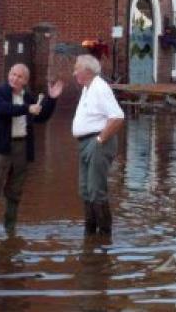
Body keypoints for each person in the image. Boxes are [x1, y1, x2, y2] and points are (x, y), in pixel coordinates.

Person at [0, 63, 63, 235]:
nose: (15, 79)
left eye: (19, 77)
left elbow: (40, 116)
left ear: (25, 81)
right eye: (13, 74)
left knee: (15, 191)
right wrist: (27, 109)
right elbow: (1, 110)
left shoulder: (28, 97)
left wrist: (52, 99)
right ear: (8, 74)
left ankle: (10, 230)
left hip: (22, 147)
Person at [71, 54, 124, 235]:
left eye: (76, 68)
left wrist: (100, 140)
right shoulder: (88, 88)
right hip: (86, 143)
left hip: (98, 142)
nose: (74, 73)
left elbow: (117, 117)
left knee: (96, 190)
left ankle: (104, 235)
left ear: (87, 71)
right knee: (85, 189)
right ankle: (90, 232)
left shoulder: (100, 88)